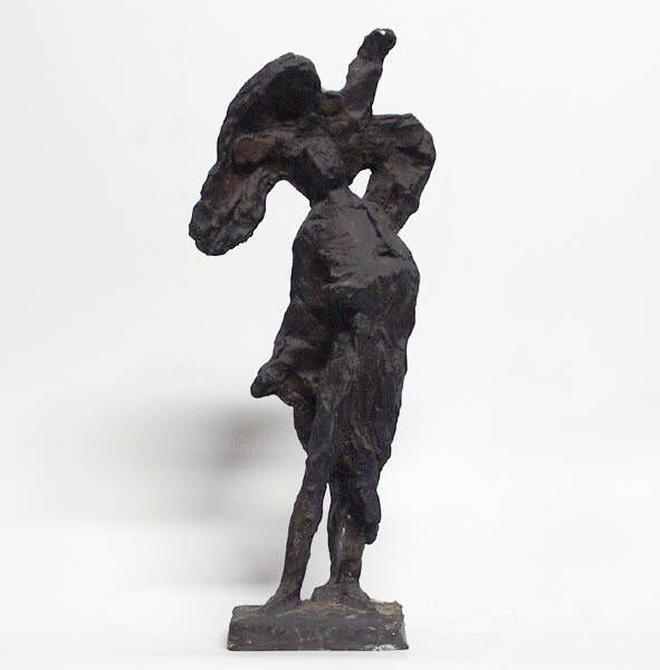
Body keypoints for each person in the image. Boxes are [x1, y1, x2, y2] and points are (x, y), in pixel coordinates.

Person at [190, 29, 435, 611]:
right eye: (310, 156)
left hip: (383, 349)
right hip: (349, 348)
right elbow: (306, 308)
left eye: (328, 152)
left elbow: (366, 107)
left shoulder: (375, 224)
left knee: (361, 465)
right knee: (323, 466)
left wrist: (371, 62)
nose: (322, 160)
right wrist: (286, 363)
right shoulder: (317, 234)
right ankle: (288, 592)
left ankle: (345, 581)